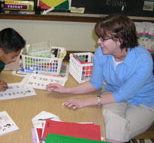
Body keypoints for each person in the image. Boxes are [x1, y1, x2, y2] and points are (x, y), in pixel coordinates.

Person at [47, 14, 154, 143]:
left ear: (119, 40)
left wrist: (85, 102)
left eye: (103, 38)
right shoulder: (101, 52)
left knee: (114, 134)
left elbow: (122, 95)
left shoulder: (143, 60)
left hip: (143, 103)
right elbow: (95, 83)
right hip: (112, 94)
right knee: (111, 127)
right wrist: (67, 90)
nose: (98, 42)